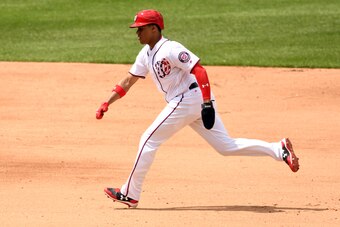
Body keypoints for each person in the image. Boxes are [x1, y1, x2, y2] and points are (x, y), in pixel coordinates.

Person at [96, 9, 299, 208]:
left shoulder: (171, 48)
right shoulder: (146, 53)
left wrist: (207, 102)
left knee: (148, 140)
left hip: (188, 99)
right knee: (226, 147)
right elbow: (129, 79)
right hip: (189, 101)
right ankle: (278, 149)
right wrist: (108, 101)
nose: (137, 32)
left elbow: (199, 69)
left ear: (154, 28)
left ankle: (130, 193)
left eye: (140, 28)